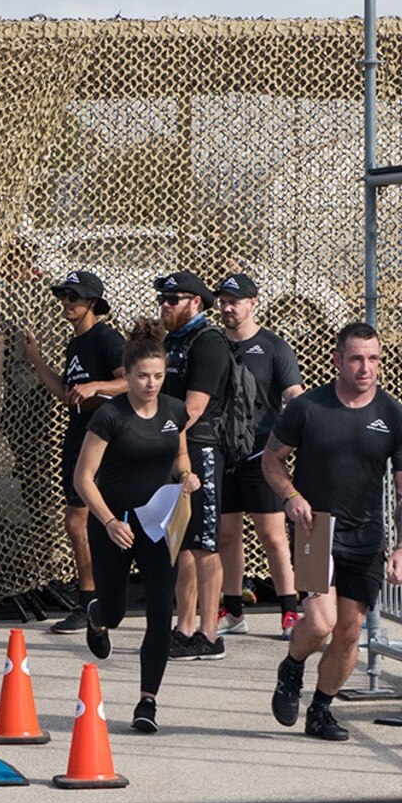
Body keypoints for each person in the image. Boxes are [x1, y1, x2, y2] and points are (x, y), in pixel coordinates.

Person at [262, 322, 402, 742]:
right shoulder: (307, 408)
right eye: (356, 358)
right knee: (319, 624)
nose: (365, 367)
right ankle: (292, 665)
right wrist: (291, 495)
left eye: (373, 359)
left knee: (349, 632)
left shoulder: (393, 416)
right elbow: (272, 460)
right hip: (317, 530)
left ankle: (321, 710)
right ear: (338, 360)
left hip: (366, 536)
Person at [70, 320, 199, 735]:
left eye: (158, 376)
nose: (151, 384)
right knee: (116, 611)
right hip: (115, 523)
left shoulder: (175, 411)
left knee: (161, 610)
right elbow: (83, 478)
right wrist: (107, 521)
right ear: (125, 375)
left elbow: (179, 455)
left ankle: (147, 702)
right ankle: (96, 615)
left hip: (158, 524)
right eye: (142, 376)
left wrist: (187, 476)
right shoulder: (110, 415)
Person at [20, 270, 126, 634]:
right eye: (63, 296)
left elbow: (134, 380)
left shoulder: (106, 338)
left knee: (81, 520)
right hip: (76, 437)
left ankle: (93, 599)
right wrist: (35, 360)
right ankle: (93, 599)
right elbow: (67, 394)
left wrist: (97, 384)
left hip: (102, 442)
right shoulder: (76, 343)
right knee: (78, 522)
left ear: (92, 303)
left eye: (74, 297)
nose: (66, 303)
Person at [213, 273, 305, 636]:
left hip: (261, 456)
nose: (227, 307)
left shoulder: (273, 347)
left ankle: (289, 611)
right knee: (227, 535)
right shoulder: (214, 344)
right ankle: (233, 612)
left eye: (234, 300)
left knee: (273, 536)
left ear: (253, 303)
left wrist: (291, 440)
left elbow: (294, 396)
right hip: (223, 454)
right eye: (222, 300)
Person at [156, 270, 233, 659]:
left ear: (196, 303)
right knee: (181, 544)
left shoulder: (208, 342)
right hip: (172, 447)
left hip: (200, 447)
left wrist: (155, 432)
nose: (165, 306)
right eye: (163, 300)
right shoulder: (172, 341)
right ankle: (184, 627)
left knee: (204, 543)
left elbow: (194, 407)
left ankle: (209, 632)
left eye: (174, 300)